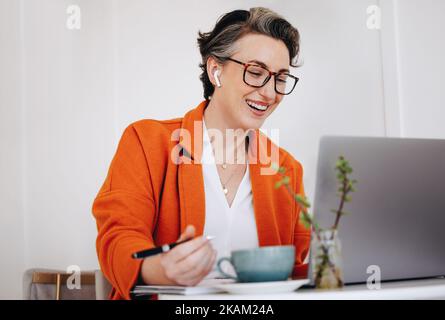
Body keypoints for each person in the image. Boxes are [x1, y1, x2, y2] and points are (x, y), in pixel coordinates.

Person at [92, 7, 310, 300]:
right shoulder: (147, 141)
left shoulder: (286, 169)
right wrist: (158, 269)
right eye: (256, 73)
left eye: (280, 79)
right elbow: (117, 236)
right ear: (215, 71)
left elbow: (300, 268)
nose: (270, 93)